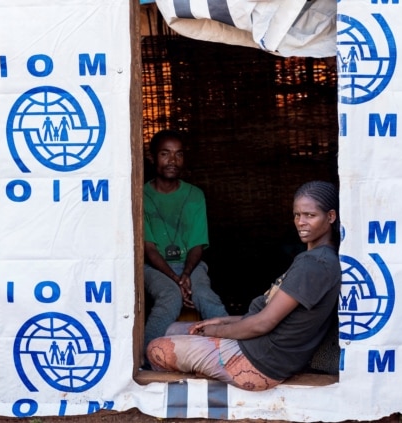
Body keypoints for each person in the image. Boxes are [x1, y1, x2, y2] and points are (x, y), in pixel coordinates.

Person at [146, 180, 341, 391]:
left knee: (156, 348)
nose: (300, 222)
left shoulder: (314, 264)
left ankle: (186, 409)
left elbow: (262, 324)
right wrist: (222, 320)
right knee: (172, 328)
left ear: (330, 217)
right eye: (296, 215)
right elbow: (276, 318)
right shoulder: (317, 258)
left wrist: (214, 331)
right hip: (263, 348)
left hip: (259, 361)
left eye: (310, 215)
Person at [143, 129, 228, 354]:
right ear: (151, 157)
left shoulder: (194, 195)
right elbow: (149, 249)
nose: (173, 160)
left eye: (178, 154)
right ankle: (144, 356)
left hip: (190, 266)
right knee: (170, 296)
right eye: (165, 154)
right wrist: (176, 280)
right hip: (154, 267)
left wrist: (187, 274)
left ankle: (234, 348)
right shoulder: (140, 196)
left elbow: (196, 245)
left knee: (204, 295)